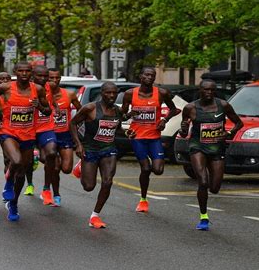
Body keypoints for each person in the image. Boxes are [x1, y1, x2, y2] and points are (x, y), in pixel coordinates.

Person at [0, 61, 51, 221]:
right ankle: (8, 183)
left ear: (31, 73)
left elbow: (48, 110)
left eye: (27, 71)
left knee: (22, 172)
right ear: (15, 71)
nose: (24, 73)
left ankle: (13, 203)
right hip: (9, 131)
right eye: (21, 71)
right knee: (15, 161)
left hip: (28, 135)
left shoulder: (37, 89)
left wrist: (40, 107)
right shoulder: (6, 87)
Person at [179, 79, 243, 230]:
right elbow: (183, 133)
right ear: (200, 90)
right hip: (198, 147)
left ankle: (208, 192)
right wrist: (183, 128)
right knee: (203, 182)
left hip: (216, 149)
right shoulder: (190, 108)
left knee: (214, 188)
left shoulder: (223, 105)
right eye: (206, 90)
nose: (209, 93)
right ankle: (204, 217)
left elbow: (239, 123)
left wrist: (228, 133)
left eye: (212, 90)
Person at [70, 82, 134, 228]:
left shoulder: (117, 111)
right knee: (88, 186)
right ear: (102, 93)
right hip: (90, 149)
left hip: (108, 149)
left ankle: (95, 215)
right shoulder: (90, 108)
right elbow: (72, 124)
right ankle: (81, 165)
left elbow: (116, 129)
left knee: (107, 181)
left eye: (114, 93)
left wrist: (127, 133)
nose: (111, 96)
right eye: (108, 93)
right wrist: (78, 145)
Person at [121, 67, 178, 213]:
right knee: (145, 168)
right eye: (146, 75)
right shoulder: (129, 94)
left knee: (158, 170)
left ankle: (152, 165)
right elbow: (121, 116)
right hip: (137, 137)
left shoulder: (161, 93)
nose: (149, 77)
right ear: (140, 76)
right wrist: (129, 114)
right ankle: (143, 200)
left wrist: (165, 120)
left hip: (154, 137)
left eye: (152, 75)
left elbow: (174, 109)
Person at [47, 68, 81, 206]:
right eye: (51, 78)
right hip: (49, 134)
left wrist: (76, 123)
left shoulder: (69, 94)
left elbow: (81, 109)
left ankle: (51, 167)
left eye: (57, 78)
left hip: (65, 134)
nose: (55, 81)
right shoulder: (43, 95)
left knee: (66, 169)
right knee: (55, 168)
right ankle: (56, 194)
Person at [29, 65, 59, 204]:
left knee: (52, 154)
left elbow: (52, 101)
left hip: (46, 127)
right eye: (39, 76)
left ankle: (46, 189)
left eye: (45, 76)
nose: (43, 79)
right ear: (32, 75)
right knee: (23, 162)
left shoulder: (50, 86)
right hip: (27, 128)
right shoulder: (24, 87)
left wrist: (56, 108)